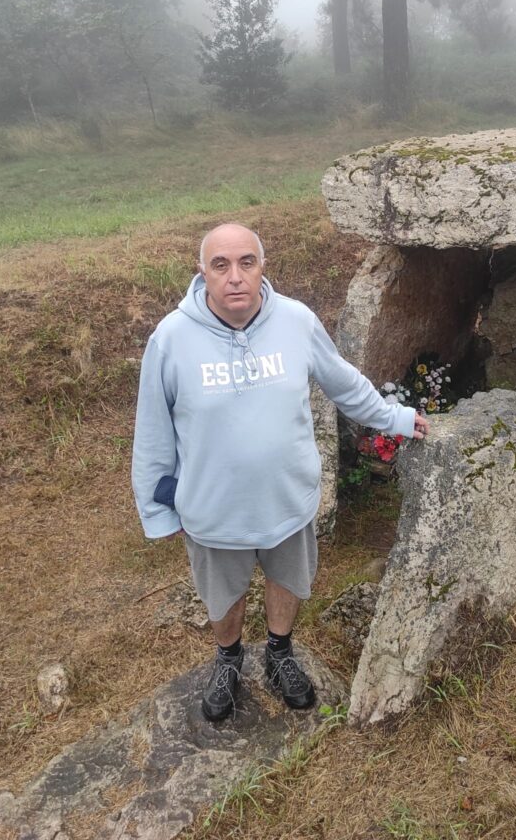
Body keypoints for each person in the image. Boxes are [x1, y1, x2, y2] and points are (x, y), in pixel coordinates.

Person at [132, 223, 428, 722]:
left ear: (262, 266)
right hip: (212, 507)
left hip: (287, 497)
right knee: (222, 593)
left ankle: (278, 652)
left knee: (287, 578)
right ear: (202, 273)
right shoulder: (171, 339)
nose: (235, 277)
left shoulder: (295, 321)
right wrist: (159, 512)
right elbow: (153, 433)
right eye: (220, 265)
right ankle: (228, 660)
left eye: (246, 262)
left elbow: (344, 382)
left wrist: (394, 417)